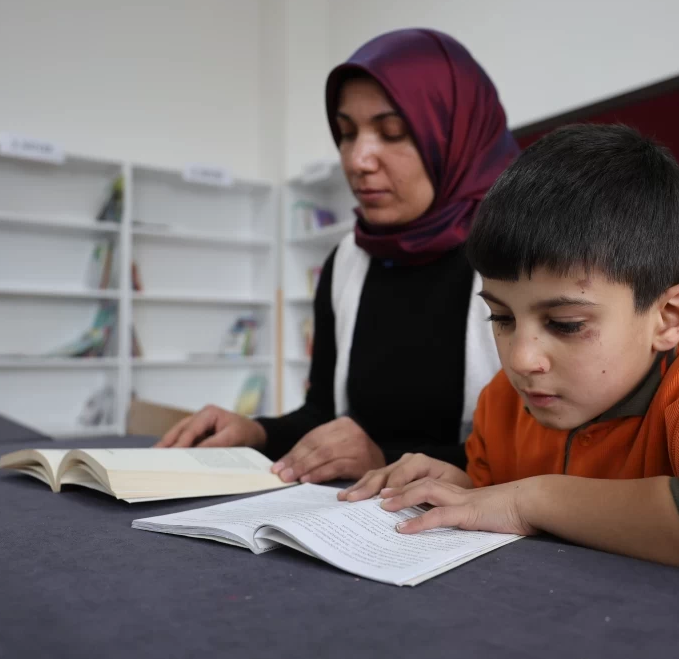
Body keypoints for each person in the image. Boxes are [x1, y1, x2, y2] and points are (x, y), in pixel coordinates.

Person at [340, 124, 679, 596]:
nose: (522, 358)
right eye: (501, 317)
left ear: (670, 316)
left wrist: (530, 500)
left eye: (566, 324)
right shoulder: (503, 404)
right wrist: (470, 492)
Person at [157, 29, 519, 485]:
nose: (357, 160)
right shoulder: (349, 260)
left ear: (456, 136)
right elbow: (323, 413)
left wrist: (381, 458)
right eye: (346, 134)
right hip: (359, 511)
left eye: (392, 132)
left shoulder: (517, 257)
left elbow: (540, 451)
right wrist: (257, 432)